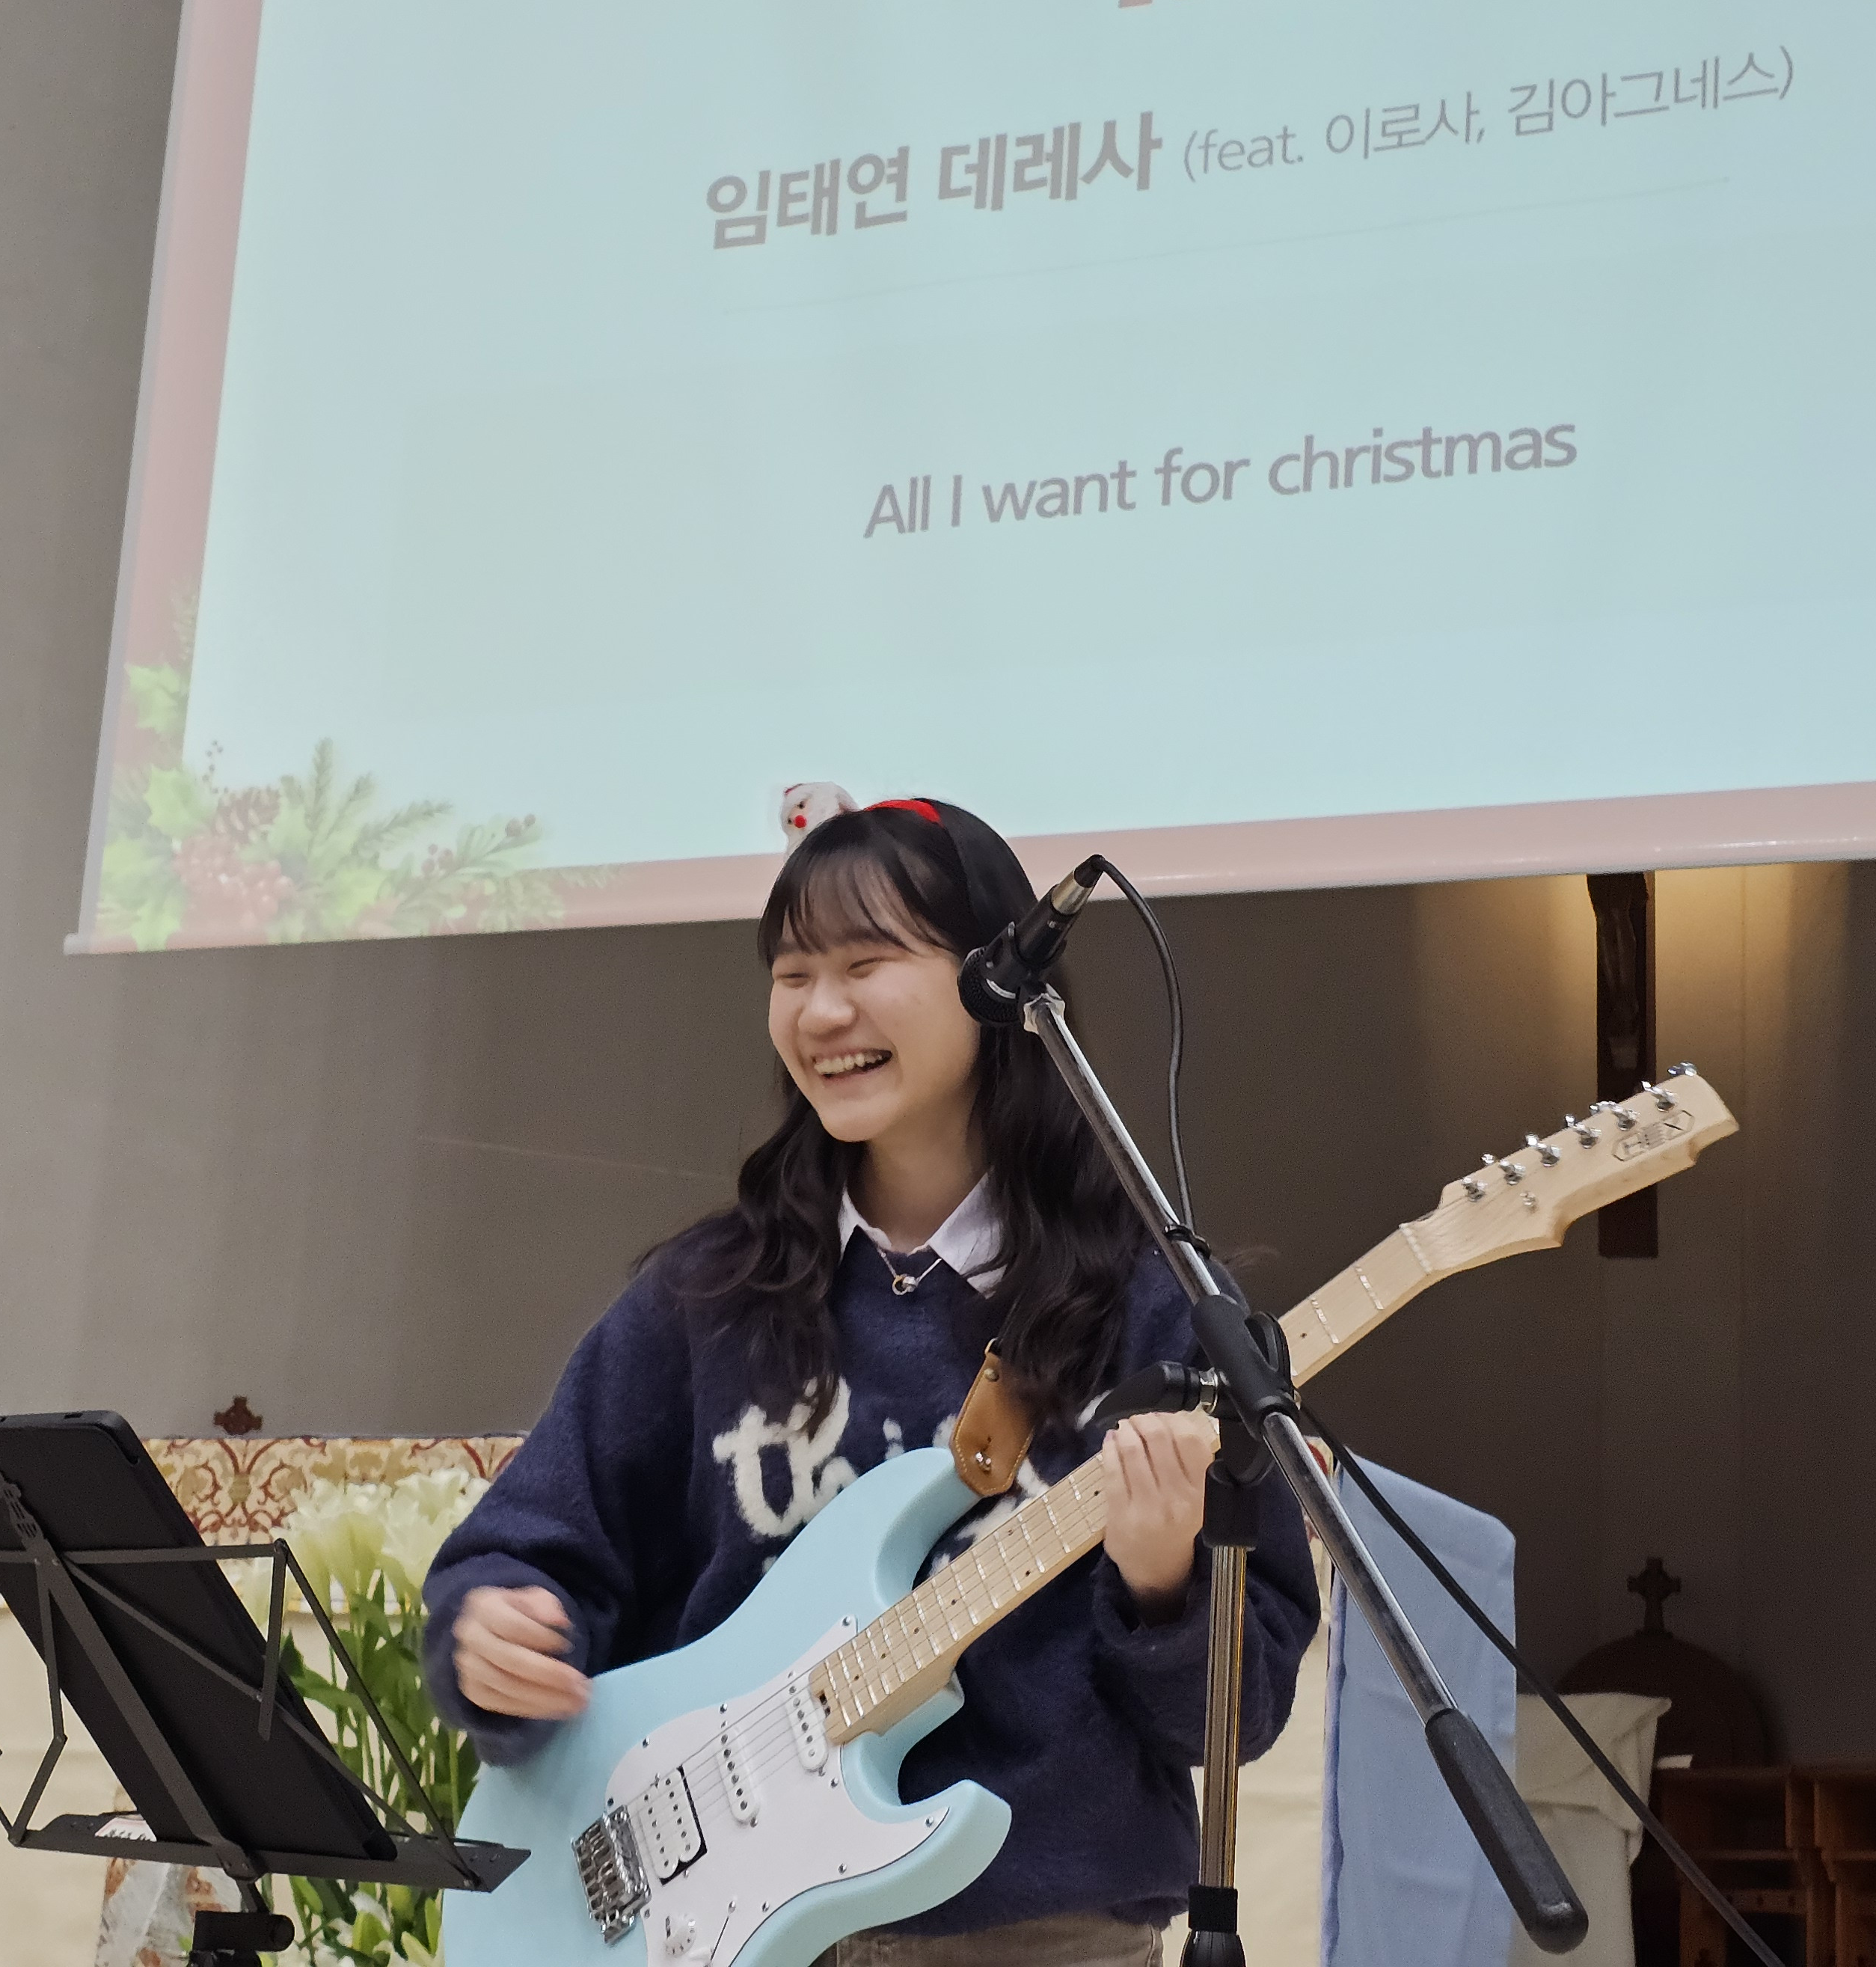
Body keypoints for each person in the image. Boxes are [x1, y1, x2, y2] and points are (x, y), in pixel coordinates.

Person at [422, 796, 1319, 1967]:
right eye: (793, 973)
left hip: (1036, 1937)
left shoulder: (1157, 1311)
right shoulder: (703, 1298)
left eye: (866, 962)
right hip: (706, 1931)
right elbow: (528, 1549)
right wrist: (495, 1626)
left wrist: (1162, 1592)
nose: (820, 1011)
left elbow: (1236, 1719)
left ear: (995, 983)